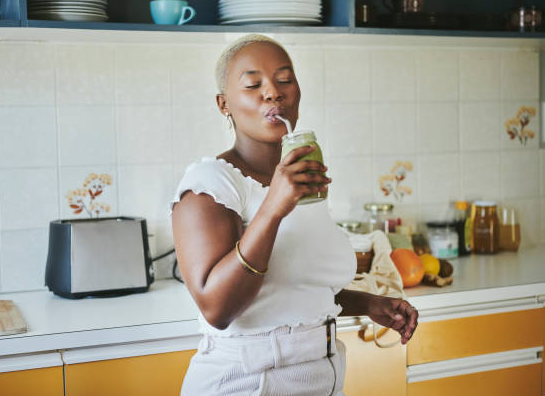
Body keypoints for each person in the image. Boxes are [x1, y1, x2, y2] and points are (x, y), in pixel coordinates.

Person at [171, 34, 418, 396]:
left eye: (285, 80)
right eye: (253, 84)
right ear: (224, 104)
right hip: (247, 384)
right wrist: (273, 207)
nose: (273, 92)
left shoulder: (300, 181)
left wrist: (370, 304)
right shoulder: (210, 182)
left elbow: (293, 289)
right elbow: (217, 308)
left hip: (324, 377)